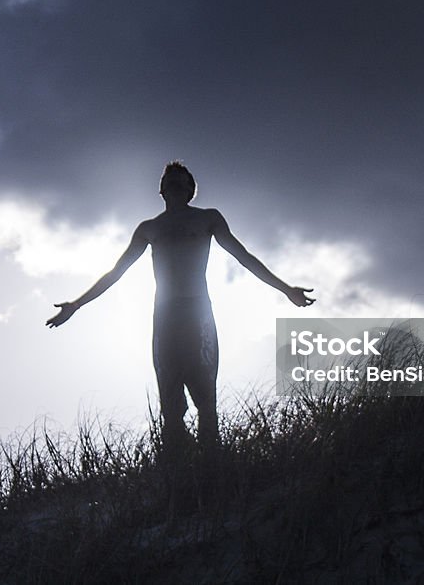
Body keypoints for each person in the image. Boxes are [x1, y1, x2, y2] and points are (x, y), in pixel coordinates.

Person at [46, 161, 315, 456]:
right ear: (161, 190)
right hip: (164, 317)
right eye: (169, 180)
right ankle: (175, 467)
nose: (174, 184)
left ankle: (211, 462)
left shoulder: (207, 219)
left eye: (180, 180)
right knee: (170, 403)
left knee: (205, 398)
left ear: (190, 189)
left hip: (198, 313)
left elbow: (244, 257)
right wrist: (76, 304)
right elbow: (115, 273)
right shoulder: (149, 229)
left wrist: (286, 289)